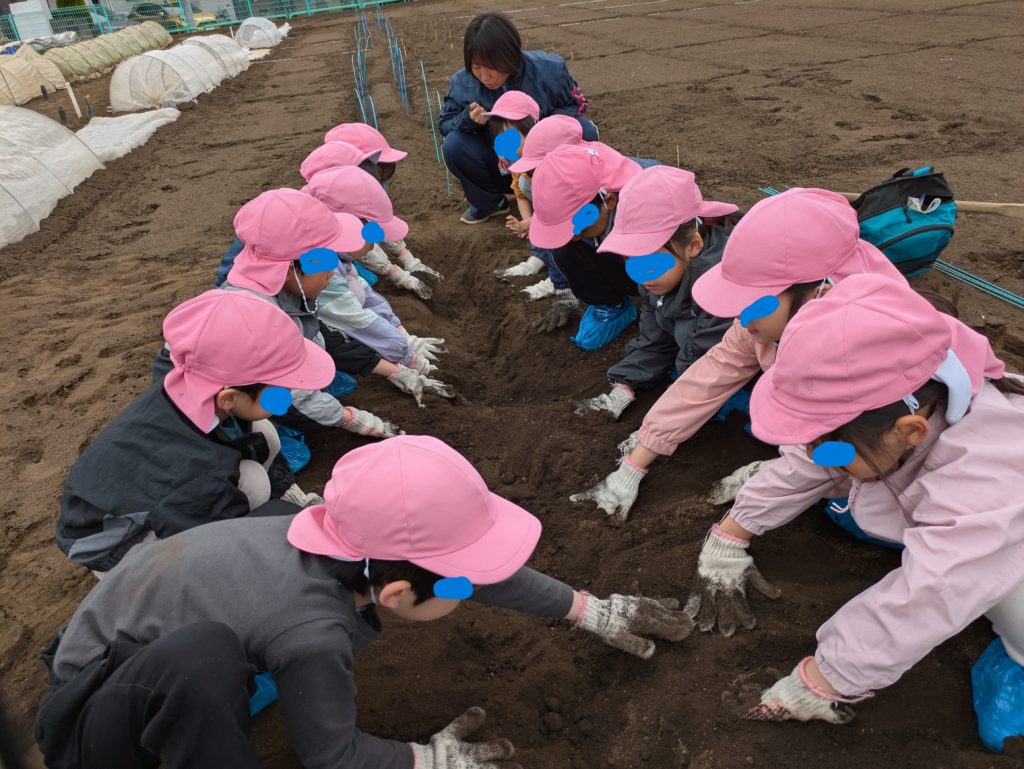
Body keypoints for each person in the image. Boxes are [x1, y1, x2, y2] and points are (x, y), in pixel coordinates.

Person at [36, 436, 694, 769]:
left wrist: (585, 608)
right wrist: (424, 760)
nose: (466, 591)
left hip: (133, 643)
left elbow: (466, 574)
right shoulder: (312, 632)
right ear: (397, 592)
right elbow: (333, 757)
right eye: (455, 586)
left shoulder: (323, 532)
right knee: (214, 661)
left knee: (223, 652)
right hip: (93, 717)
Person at [686, 274, 1024, 748]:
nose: (816, 454)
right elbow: (813, 462)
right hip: (973, 516)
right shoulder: (907, 399)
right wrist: (733, 531)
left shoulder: (982, 475)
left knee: (1003, 598)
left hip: (1004, 526)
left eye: (830, 446)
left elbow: (934, 589)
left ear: (910, 432)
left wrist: (825, 680)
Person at [572, 188, 906, 521]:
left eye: (752, 303)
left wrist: (740, 521)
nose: (742, 319)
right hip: (829, 425)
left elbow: (848, 448)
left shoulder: (861, 355)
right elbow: (708, 376)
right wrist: (637, 459)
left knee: (858, 514)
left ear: (817, 297)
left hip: (883, 453)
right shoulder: (765, 317)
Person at [57, 290, 334, 575]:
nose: (288, 395)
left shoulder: (192, 385)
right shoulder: (199, 477)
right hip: (114, 546)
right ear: (230, 398)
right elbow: (206, 545)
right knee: (254, 489)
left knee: (263, 435)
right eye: (282, 390)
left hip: (141, 495)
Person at [218, 188, 402, 438]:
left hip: (257, 388)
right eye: (323, 262)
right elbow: (295, 391)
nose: (331, 273)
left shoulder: (284, 290)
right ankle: (266, 428)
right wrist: (348, 418)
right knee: (295, 425)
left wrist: (388, 368)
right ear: (288, 269)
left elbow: (316, 335)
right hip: (236, 403)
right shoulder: (262, 319)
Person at [574, 167, 737, 421]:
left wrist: (675, 403)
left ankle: (737, 401)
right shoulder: (654, 278)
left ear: (694, 245)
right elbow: (654, 339)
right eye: (630, 258)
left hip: (743, 361)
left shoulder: (718, 283)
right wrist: (624, 384)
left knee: (684, 332)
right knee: (664, 319)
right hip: (695, 338)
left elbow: (706, 355)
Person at [301, 165, 454, 407]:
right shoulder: (316, 265)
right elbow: (356, 320)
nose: (374, 245)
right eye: (370, 236)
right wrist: (406, 359)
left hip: (319, 314)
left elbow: (363, 292)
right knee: (332, 341)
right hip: (285, 352)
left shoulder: (332, 251)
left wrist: (403, 336)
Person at [439, 10, 597, 225]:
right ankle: (490, 203)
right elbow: (445, 123)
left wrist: (544, 129)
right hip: (500, 163)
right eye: (476, 67)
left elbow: (577, 103)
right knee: (454, 144)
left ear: (510, 55)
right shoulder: (463, 83)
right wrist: (466, 120)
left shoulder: (549, 70)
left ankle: (569, 193)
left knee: (584, 130)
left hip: (549, 157)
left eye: (492, 67)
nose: (484, 76)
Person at [529, 143, 644, 350]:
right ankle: (612, 305)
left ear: (609, 201)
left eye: (579, 228)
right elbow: (557, 244)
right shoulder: (583, 209)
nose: (574, 236)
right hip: (615, 257)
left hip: (649, 263)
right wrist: (564, 295)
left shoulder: (645, 205)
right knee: (564, 248)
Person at [325, 122, 443, 290]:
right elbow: (358, 240)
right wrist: (396, 274)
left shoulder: (360, 187)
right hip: (333, 253)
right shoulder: (335, 201)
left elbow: (379, 221)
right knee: (369, 280)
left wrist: (408, 258)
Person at [485, 96, 572, 304]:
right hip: (548, 213)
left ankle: (559, 279)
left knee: (554, 234)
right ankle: (539, 257)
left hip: (569, 217)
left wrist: (531, 223)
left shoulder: (551, 161)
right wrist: (528, 223)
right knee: (525, 186)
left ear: (532, 129)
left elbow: (559, 211)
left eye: (510, 136)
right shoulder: (517, 161)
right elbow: (520, 194)